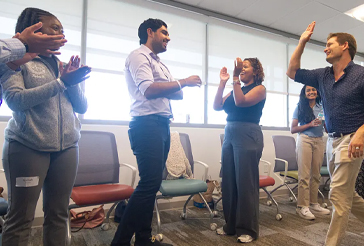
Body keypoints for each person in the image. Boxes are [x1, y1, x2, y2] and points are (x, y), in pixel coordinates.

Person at [287, 21, 364, 246]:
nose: (325, 48)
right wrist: (302, 41)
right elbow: (292, 72)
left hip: (354, 139)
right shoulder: (322, 75)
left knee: (337, 197)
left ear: (345, 46)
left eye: (329, 44)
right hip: (332, 140)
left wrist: (361, 133)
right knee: (347, 194)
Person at [1, 7, 91, 246]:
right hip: (27, 147)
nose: (61, 34)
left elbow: (82, 107)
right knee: (21, 218)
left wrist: (71, 81)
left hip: (67, 148)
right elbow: (16, 101)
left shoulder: (61, 65)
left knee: (59, 214)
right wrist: (62, 83)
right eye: (55, 28)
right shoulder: (14, 61)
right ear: (34, 29)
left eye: (62, 29)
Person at [111, 18, 202, 246]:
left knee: (151, 187)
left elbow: (177, 94)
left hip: (161, 125)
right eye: (164, 32)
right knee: (149, 184)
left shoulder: (159, 63)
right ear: (150, 32)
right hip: (146, 124)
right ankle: (119, 242)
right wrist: (183, 82)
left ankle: (143, 239)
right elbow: (149, 89)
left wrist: (177, 86)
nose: (168, 37)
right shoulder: (138, 56)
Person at [213, 57, 266, 243]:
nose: (241, 69)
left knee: (245, 183)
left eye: (245, 67)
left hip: (248, 133)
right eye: (240, 67)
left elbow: (241, 102)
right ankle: (230, 226)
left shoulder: (259, 89)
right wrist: (222, 82)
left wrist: (235, 78)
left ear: (256, 71)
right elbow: (217, 106)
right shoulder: (236, 88)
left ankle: (248, 229)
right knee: (228, 181)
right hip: (230, 132)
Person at [291, 85, 330, 220]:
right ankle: (302, 206)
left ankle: (314, 204)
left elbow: (326, 126)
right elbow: (293, 129)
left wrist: (327, 124)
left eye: (313, 90)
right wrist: (309, 124)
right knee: (304, 175)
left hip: (319, 140)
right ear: (304, 93)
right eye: (308, 90)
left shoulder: (322, 107)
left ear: (317, 92)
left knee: (316, 174)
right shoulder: (300, 107)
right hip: (305, 139)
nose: (311, 92)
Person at [0, 22, 66, 83]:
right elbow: (13, 95)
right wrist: (23, 43)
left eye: (62, 31)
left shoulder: (62, 65)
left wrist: (11, 65)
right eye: (55, 28)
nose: (62, 35)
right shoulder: (25, 64)